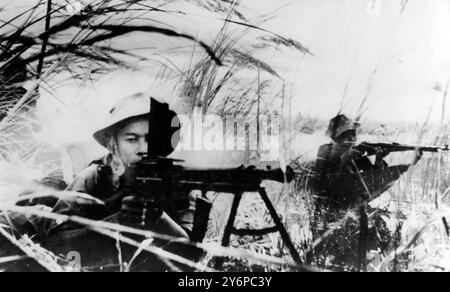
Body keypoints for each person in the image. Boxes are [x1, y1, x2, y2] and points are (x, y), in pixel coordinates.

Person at [0, 93, 197, 271]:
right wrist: (120, 221)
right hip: (38, 235)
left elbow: (188, 253)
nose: (142, 148)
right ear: (114, 144)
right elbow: (58, 244)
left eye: (150, 139)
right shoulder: (94, 177)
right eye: (131, 139)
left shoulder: (174, 182)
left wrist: (158, 217)